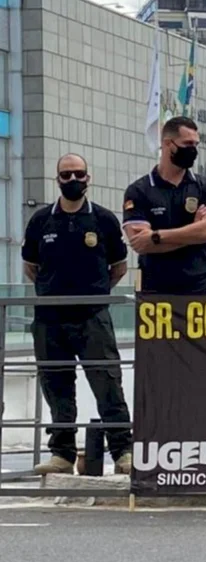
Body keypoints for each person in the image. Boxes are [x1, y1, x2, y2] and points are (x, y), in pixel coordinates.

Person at [21, 154, 132, 475]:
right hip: (50, 319)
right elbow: (31, 267)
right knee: (57, 385)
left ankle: (123, 451)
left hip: (92, 317)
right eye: (66, 175)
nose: (72, 180)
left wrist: (93, 293)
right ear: (57, 179)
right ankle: (62, 454)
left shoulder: (103, 219)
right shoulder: (41, 220)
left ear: (89, 178)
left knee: (108, 383)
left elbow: (119, 267)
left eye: (78, 174)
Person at [122, 117, 206, 294]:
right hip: (156, 288)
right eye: (187, 143)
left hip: (201, 284)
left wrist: (157, 236)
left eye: (195, 144)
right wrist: (193, 230)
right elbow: (141, 244)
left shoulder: (205, 186)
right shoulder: (139, 190)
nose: (193, 149)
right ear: (168, 143)